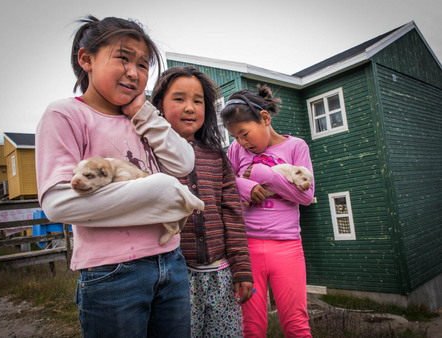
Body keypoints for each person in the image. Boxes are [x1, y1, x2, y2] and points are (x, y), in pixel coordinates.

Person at [35, 16, 205, 337]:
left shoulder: (142, 118)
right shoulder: (66, 115)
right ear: (86, 59)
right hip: (112, 272)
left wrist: (144, 114)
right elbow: (59, 202)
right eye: (123, 58)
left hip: (171, 259)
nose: (134, 72)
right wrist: (157, 191)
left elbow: (183, 163)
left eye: (143, 65)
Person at [151, 66, 254, 337]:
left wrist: (242, 269)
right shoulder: (150, 154)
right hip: (175, 277)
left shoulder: (216, 156)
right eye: (179, 98)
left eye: (198, 101)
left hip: (221, 275)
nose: (190, 107)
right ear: (159, 104)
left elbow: (232, 213)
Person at [220, 84, 314, 337]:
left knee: (296, 323)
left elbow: (306, 196)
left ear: (264, 118)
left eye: (244, 133)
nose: (241, 142)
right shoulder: (236, 151)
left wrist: (265, 175)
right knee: (251, 326)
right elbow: (224, 185)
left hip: (287, 247)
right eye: (236, 137)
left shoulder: (296, 147)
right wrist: (244, 186)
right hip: (246, 248)